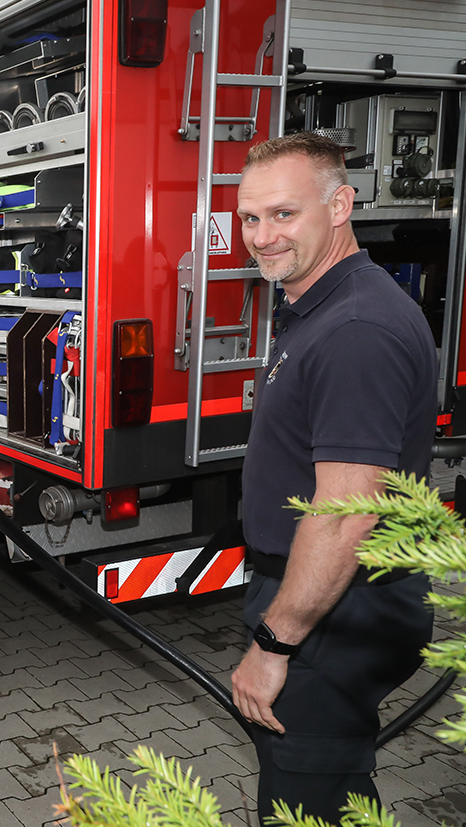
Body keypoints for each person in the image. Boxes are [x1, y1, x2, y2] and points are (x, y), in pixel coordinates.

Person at [231, 132, 437, 824]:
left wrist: (275, 642)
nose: (262, 236)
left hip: (333, 612)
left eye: (284, 214)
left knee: (307, 801)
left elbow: (348, 511)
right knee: (324, 788)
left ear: (340, 204)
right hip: (325, 601)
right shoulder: (322, 303)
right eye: (250, 217)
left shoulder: (357, 328)